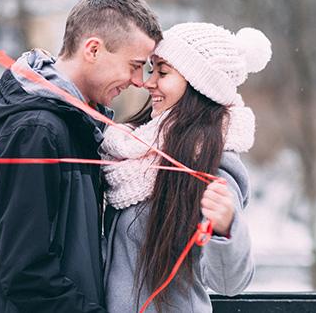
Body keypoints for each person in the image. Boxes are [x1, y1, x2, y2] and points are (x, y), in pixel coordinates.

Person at [0, 0, 162, 313]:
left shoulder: (74, 123)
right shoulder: (36, 130)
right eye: (134, 65)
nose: (139, 81)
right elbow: (26, 273)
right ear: (93, 49)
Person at [101, 22, 272, 312]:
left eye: (163, 72)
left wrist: (225, 227)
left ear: (198, 84)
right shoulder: (130, 153)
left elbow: (229, 283)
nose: (149, 82)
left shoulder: (211, 164)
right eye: (151, 69)